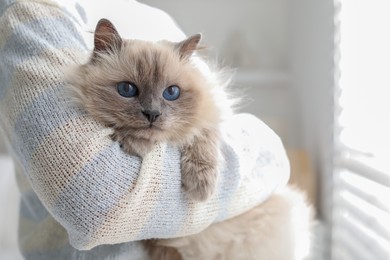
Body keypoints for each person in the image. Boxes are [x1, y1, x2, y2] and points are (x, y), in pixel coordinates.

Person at [0, 1, 290, 259]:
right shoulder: (29, 17)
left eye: (171, 94)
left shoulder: (153, 21)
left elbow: (215, 120)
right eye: (128, 89)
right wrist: (265, 152)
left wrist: (206, 142)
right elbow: (96, 204)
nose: (152, 110)